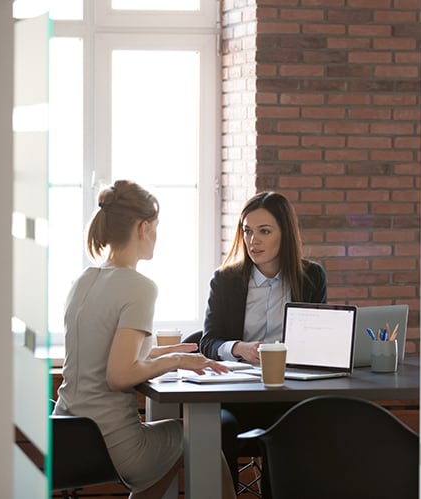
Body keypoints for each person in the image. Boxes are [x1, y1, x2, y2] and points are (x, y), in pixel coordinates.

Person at [53, 180, 235, 499]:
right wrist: (174, 360)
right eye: (156, 227)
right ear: (143, 227)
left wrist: (157, 352)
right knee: (201, 438)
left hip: (70, 437)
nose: (156, 236)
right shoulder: (138, 286)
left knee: (177, 447)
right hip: (113, 443)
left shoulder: (82, 280)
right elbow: (118, 376)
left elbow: (101, 353)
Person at [199, 191, 327, 489]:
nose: (252, 240)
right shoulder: (226, 280)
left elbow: (318, 338)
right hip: (238, 393)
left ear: (285, 234)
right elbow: (208, 342)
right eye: (247, 231)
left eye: (264, 231)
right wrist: (239, 349)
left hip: (289, 393)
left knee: (311, 423)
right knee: (219, 426)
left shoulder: (311, 277)